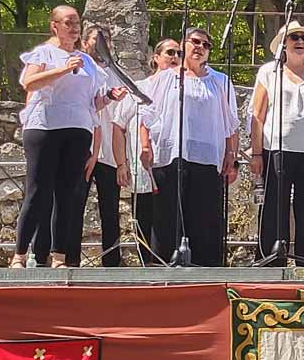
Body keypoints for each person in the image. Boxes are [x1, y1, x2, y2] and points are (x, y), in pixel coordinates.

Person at [10, 5, 127, 269]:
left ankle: (59, 257)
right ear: (54, 26)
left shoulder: (86, 62)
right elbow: (29, 83)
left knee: (67, 194)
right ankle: (19, 255)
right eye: (68, 23)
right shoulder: (44, 53)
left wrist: (110, 97)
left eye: (77, 24)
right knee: (38, 191)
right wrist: (63, 69)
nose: (74, 28)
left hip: (78, 130)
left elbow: (91, 103)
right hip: (45, 127)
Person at [140, 27, 239, 267]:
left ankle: (206, 269)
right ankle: (164, 265)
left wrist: (231, 154)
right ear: (183, 44)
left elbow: (230, 122)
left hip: (207, 155)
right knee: (168, 213)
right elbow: (146, 114)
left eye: (206, 45)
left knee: (205, 214)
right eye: (195, 41)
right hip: (172, 152)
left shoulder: (220, 81)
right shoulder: (165, 78)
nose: (200, 47)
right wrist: (145, 146)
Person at [249, 21, 304, 267]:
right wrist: (257, 153)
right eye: (294, 37)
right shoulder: (269, 72)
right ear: (283, 43)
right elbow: (257, 114)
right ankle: (271, 260)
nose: (300, 42)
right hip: (277, 148)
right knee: (275, 206)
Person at [112, 38, 180, 265]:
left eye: (179, 53)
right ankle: (147, 267)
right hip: (142, 168)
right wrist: (121, 164)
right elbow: (118, 126)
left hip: (170, 167)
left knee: (169, 219)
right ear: (156, 57)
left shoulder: (182, 89)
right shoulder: (139, 88)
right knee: (144, 218)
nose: (175, 57)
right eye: (170, 52)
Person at [66, 25, 124, 267]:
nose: (103, 44)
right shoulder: (80, 69)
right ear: (85, 42)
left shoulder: (116, 74)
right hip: (84, 148)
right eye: (97, 38)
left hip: (109, 152)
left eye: (106, 39)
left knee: (110, 210)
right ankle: (70, 260)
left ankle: (112, 263)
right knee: (74, 206)